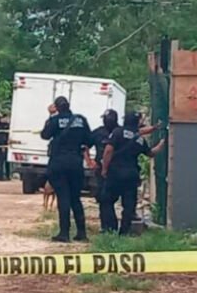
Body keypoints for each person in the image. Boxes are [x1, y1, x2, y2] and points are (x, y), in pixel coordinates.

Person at [92, 110, 162, 233]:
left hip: (115, 173)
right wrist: (161, 144)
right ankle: (124, 231)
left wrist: (104, 169)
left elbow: (108, 150)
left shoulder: (117, 132)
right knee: (129, 205)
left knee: (106, 200)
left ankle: (110, 227)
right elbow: (150, 153)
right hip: (131, 175)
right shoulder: (139, 139)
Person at [41, 96, 93, 243]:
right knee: (75, 198)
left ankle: (64, 233)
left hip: (58, 163)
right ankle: (82, 233)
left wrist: (51, 116)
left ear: (56, 107)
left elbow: (45, 135)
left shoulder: (55, 120)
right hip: (76, 163)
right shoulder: (81, 120)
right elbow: (89, 140)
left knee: (63, 197)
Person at [0, 113, 11, 181]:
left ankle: (8, 175)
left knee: (7, 162)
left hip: (7, 146)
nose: (7, 119)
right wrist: (2, 145)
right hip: (1, 146)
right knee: (0, 161)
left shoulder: (7, 126)